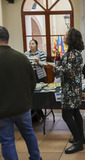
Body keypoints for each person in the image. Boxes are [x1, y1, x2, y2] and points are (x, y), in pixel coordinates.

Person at [0, 26, 41, 160]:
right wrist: (27, 98)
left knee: (7, 142)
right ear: (8, 38)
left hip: (3, 111)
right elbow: (33, 81)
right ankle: (35, 157)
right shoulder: (22, 57)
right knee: (29, 134)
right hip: (23, 107)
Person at [53, 28, 85, 154]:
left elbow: (67, 72)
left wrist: (56, 68)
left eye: (66, 35)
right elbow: (65, 68)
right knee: (75, 112)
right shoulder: (72, 53)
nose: (64, 36)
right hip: (72, 88)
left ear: (71, 38)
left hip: (71, 89)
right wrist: (59, 63)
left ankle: (78, 142)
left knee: (66, 115)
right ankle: (80, 138)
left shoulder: (73, 54)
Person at [24, 39, 47, 121]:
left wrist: (38, 61)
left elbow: (45, 64)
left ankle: (39, 113)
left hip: (40, 76)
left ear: (36, 45)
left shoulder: (41, 53)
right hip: (30, 76)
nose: (31, 45)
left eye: (33, 43)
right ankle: (37, 114)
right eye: (30, 43)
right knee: (33, 95)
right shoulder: (26, 54)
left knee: (40, 95)